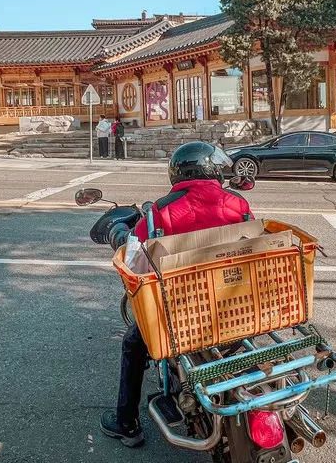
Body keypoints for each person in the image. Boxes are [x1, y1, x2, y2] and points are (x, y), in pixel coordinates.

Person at [98, 142, 253, 447]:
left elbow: (135, 262)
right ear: (212, 170)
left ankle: (126, 423)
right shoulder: (238, 205)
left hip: (182, 312)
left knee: (133, 342)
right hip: (235, 302)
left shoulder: (160, 212)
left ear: (177, 174)